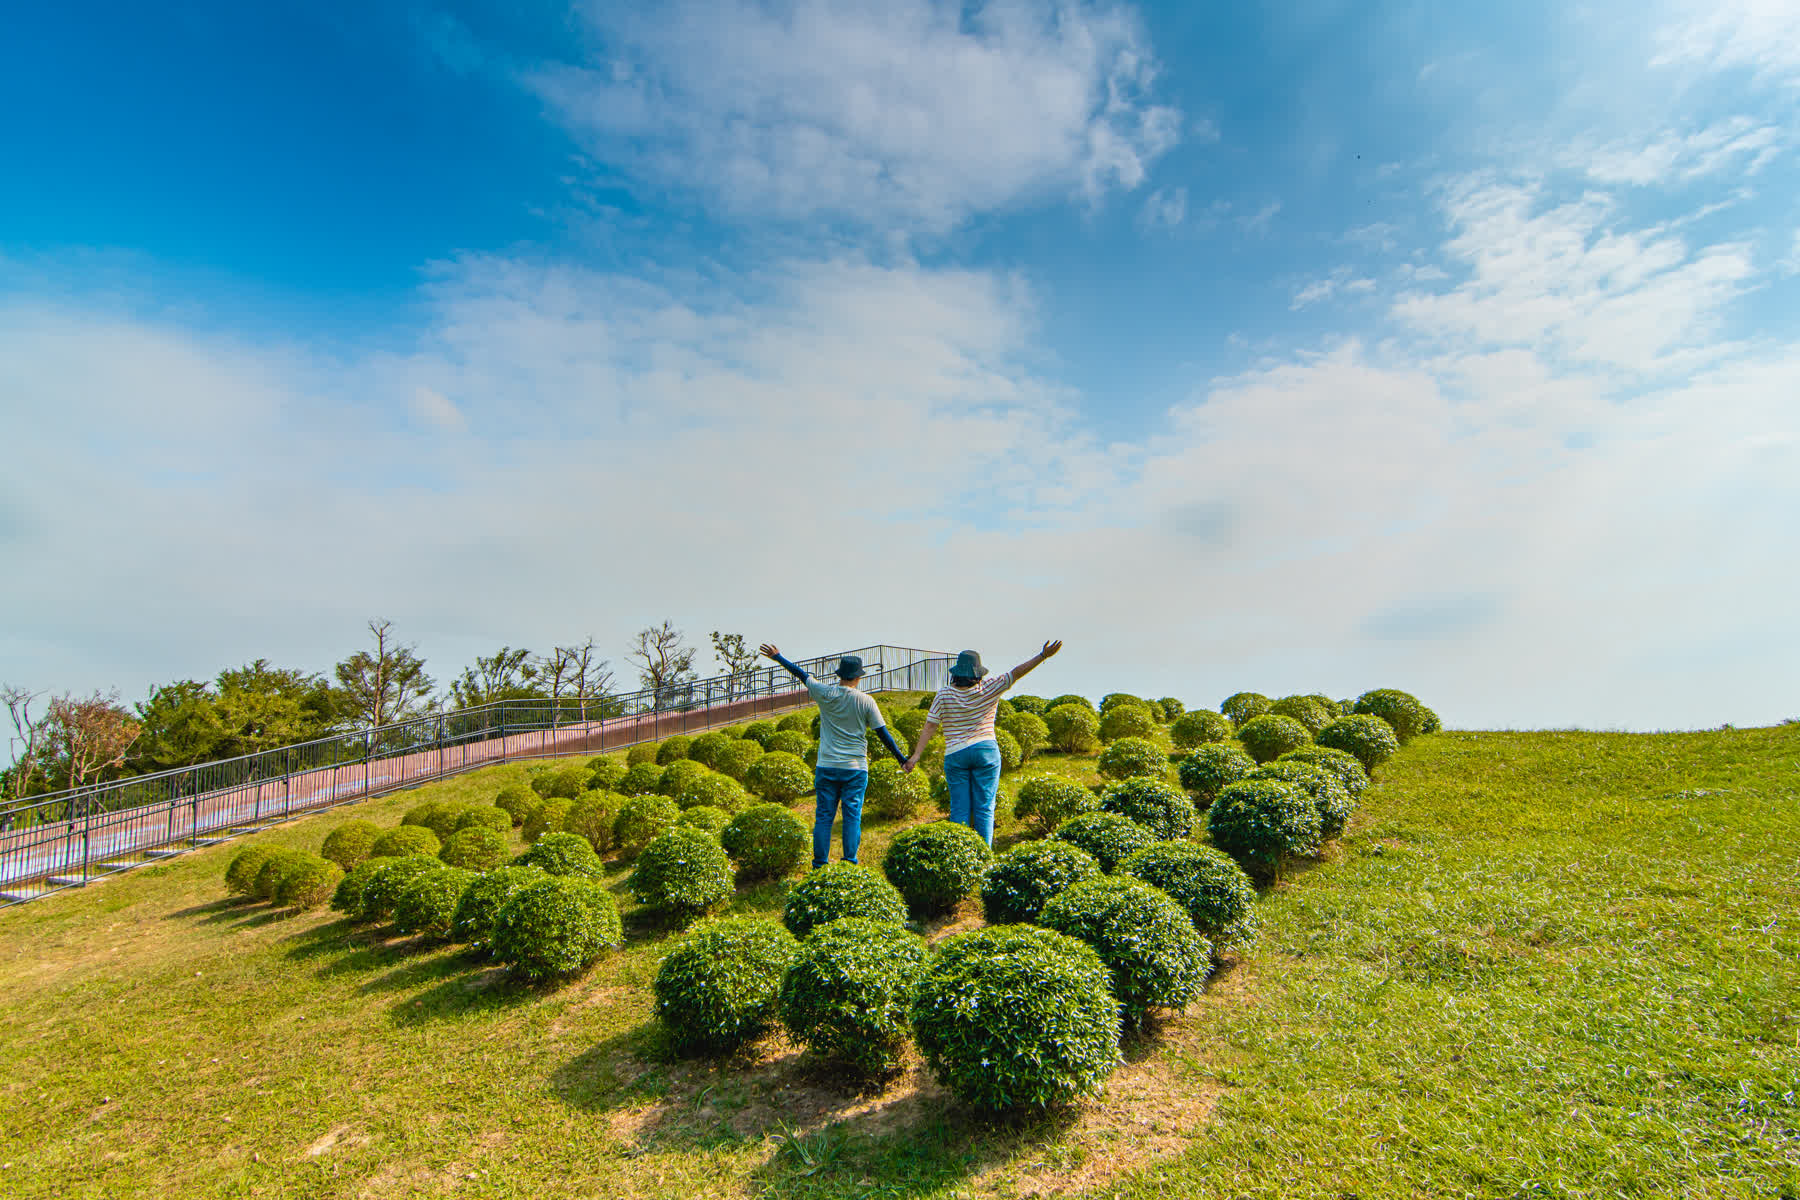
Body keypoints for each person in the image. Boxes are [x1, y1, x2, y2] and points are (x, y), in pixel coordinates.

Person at [759, 643, 909, 869]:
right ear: (858, 677)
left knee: (824, 817)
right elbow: (883, 734)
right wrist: (901, 759)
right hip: (855, 768)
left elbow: (801, 674)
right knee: (852, 816)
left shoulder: (824, 692)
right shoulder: (866, 701)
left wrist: (779, 657)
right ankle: (849, 862)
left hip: (827, 765)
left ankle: (819, 865)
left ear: (840, 675)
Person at [905, 641, 1062, 845]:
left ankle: (960, 856)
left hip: (956, 753)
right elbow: (1016, 672)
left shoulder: (944, 694)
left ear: (956, 672)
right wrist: (1042, 656)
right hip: (985, 750)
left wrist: (916, 755)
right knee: (985, 807)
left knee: (959, 809)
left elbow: (930, 726)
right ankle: (984, 856)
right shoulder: (989, 687)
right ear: (978, 672)